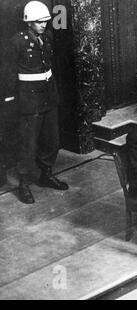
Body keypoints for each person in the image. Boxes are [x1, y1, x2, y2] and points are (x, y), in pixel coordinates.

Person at [0, 1, 68, 204]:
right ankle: (23, 183)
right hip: (28, 99)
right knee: (27, 143)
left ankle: (46, 174)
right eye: (39, 22)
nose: (43, 25)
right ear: (28, 23)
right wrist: (10, 98)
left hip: (48, 95)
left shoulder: (47, 38)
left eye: (45, 21)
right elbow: (9, 73)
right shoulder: (16, 42)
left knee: (52, 139)